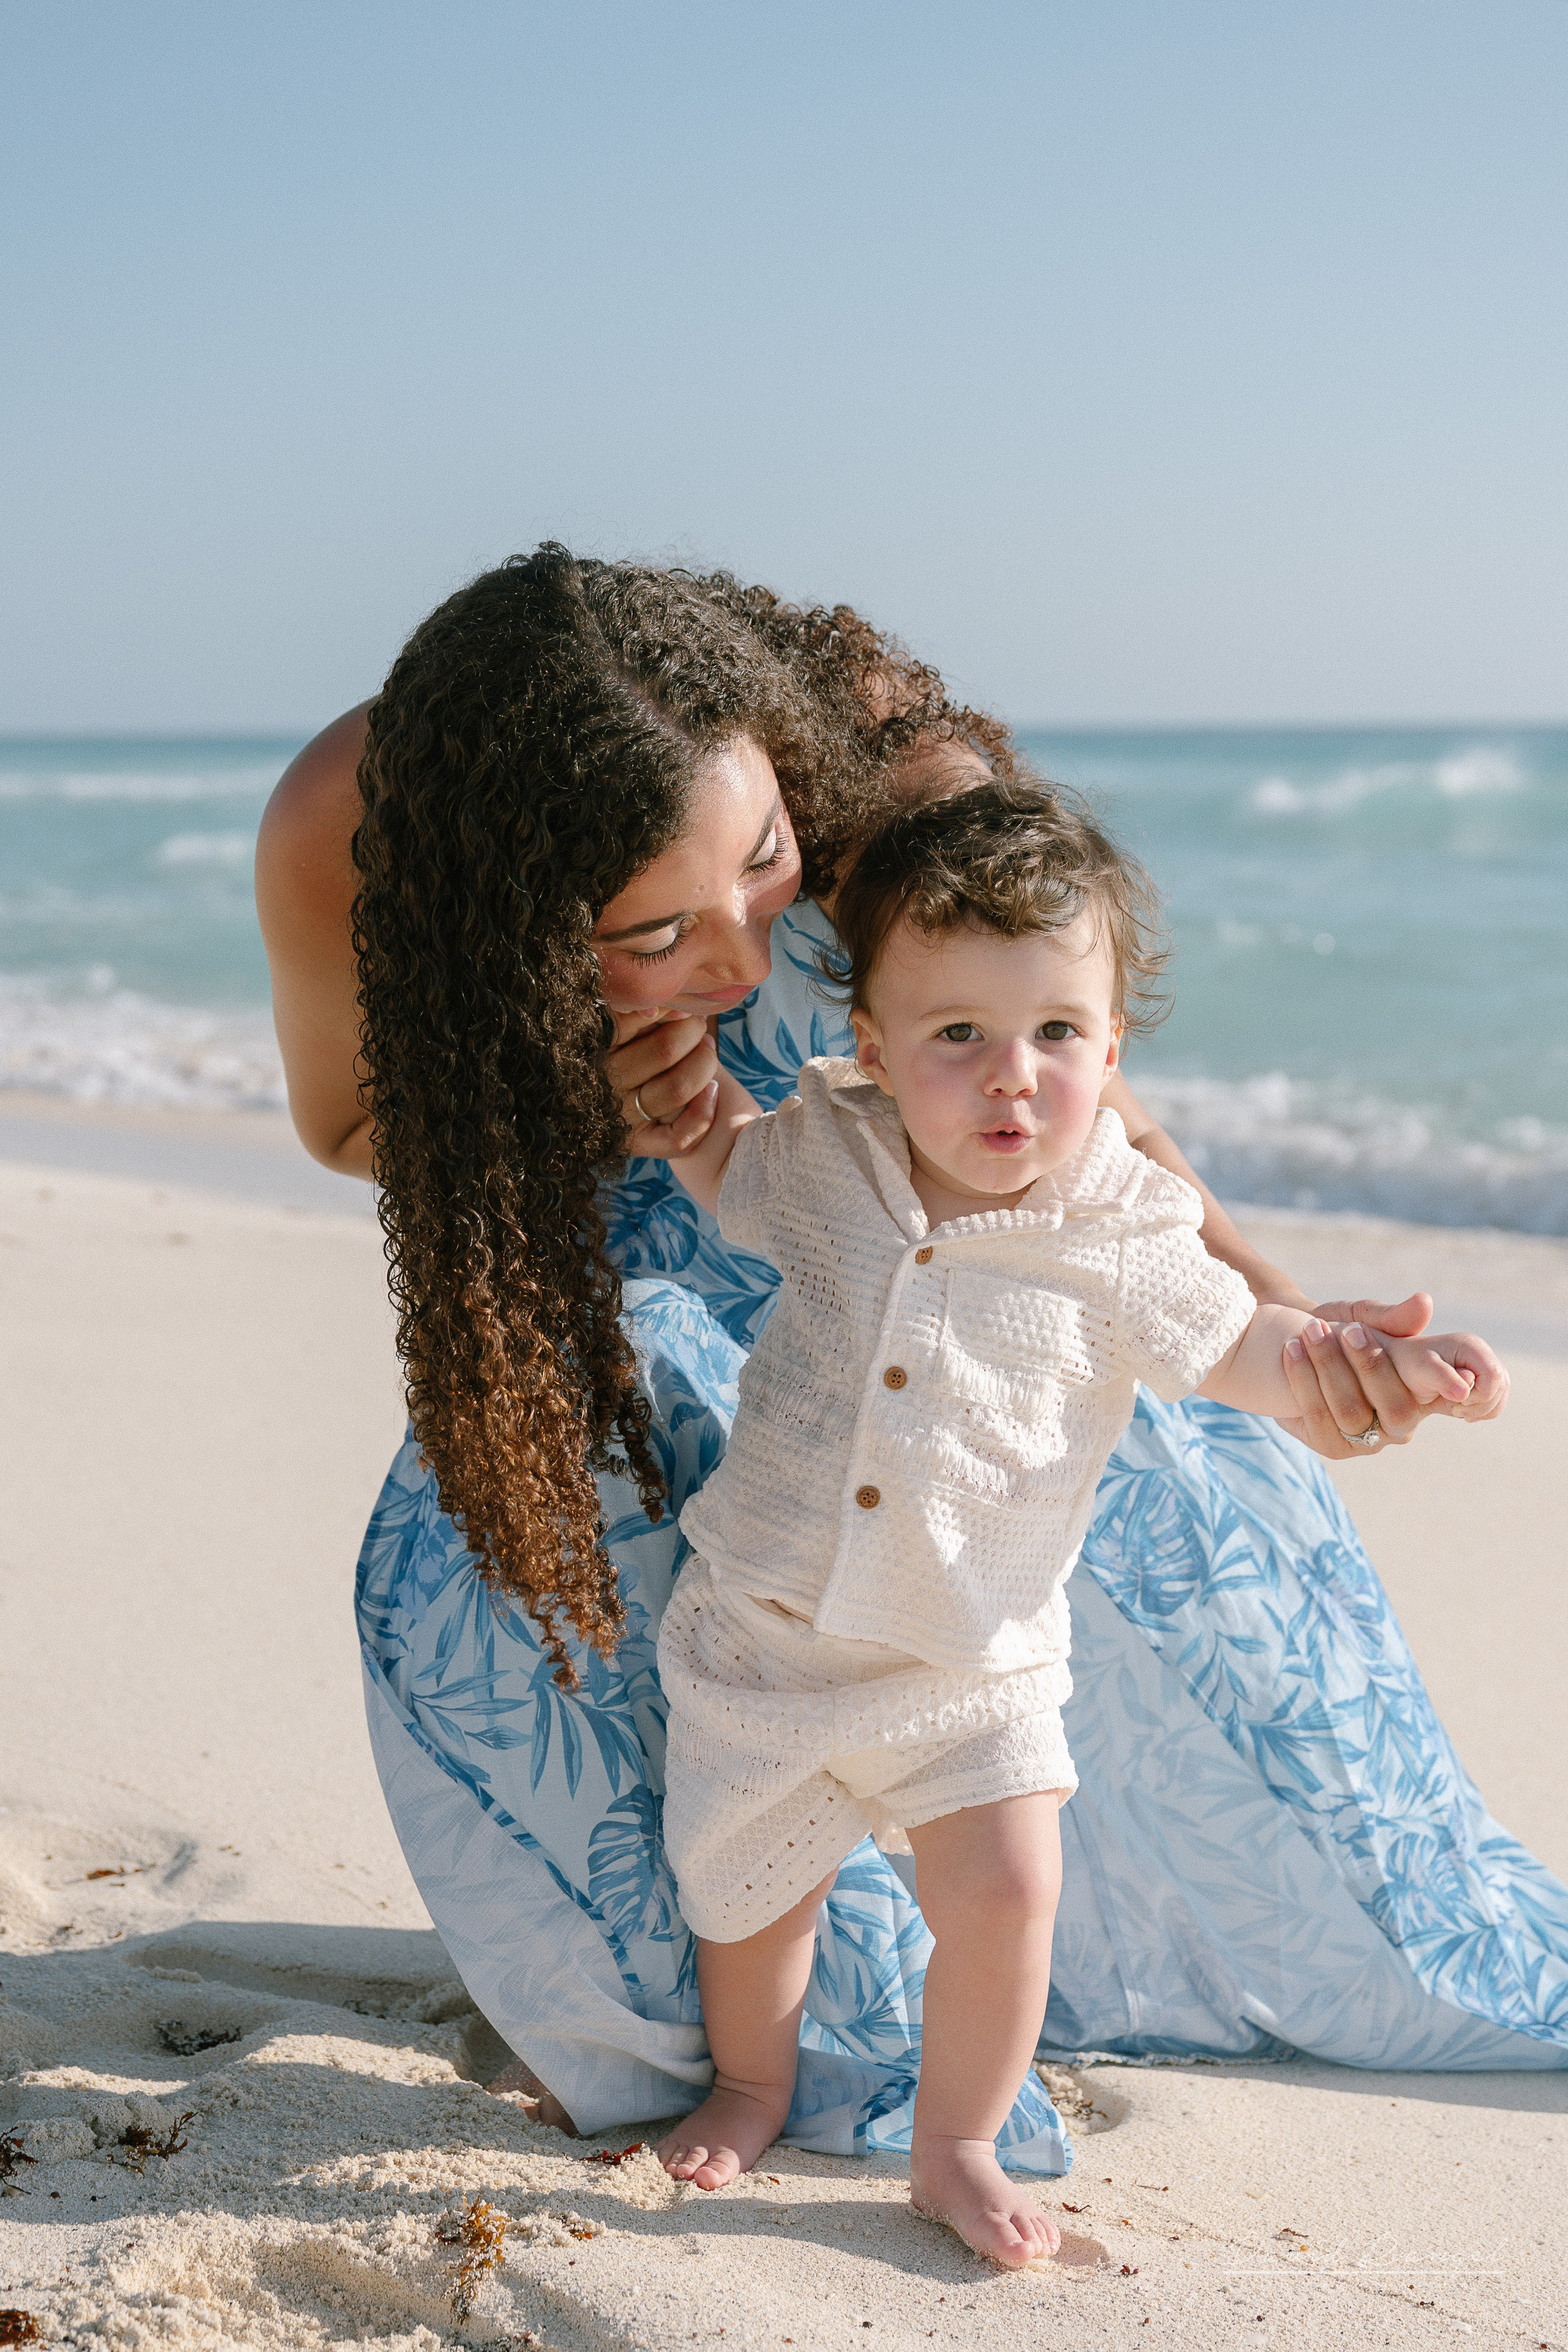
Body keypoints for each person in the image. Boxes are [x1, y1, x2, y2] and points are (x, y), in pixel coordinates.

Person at [255, 547, 1557, 2177]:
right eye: (656, 926)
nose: (734, 965)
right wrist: (586, 1093)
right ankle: (711, 2004)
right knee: (617, 1472)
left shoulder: (885, 759)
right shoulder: (338, 833)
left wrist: (1276, 1311)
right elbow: (349, 1123)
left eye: (767, 867)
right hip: (635, 1208)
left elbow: (1080, 1100)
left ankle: (1043, 1921)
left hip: (959, 1207)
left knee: (1151, 1494)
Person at [647, 782, 1492, 2261]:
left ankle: (958, 2139)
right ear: (873, 1049)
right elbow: (722, 1164)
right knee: (746, 1897)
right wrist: (671, 1101)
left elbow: (1250, 1350)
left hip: (970, 1666)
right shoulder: (827, 1153)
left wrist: (1378, 1369)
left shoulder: (1120, 1232)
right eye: (956, 1036)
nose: (1009, 1080)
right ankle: (750, 2082)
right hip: (767, 1633)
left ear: (1110, 1049)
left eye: (1054, 1035)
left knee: (1008, 1883)